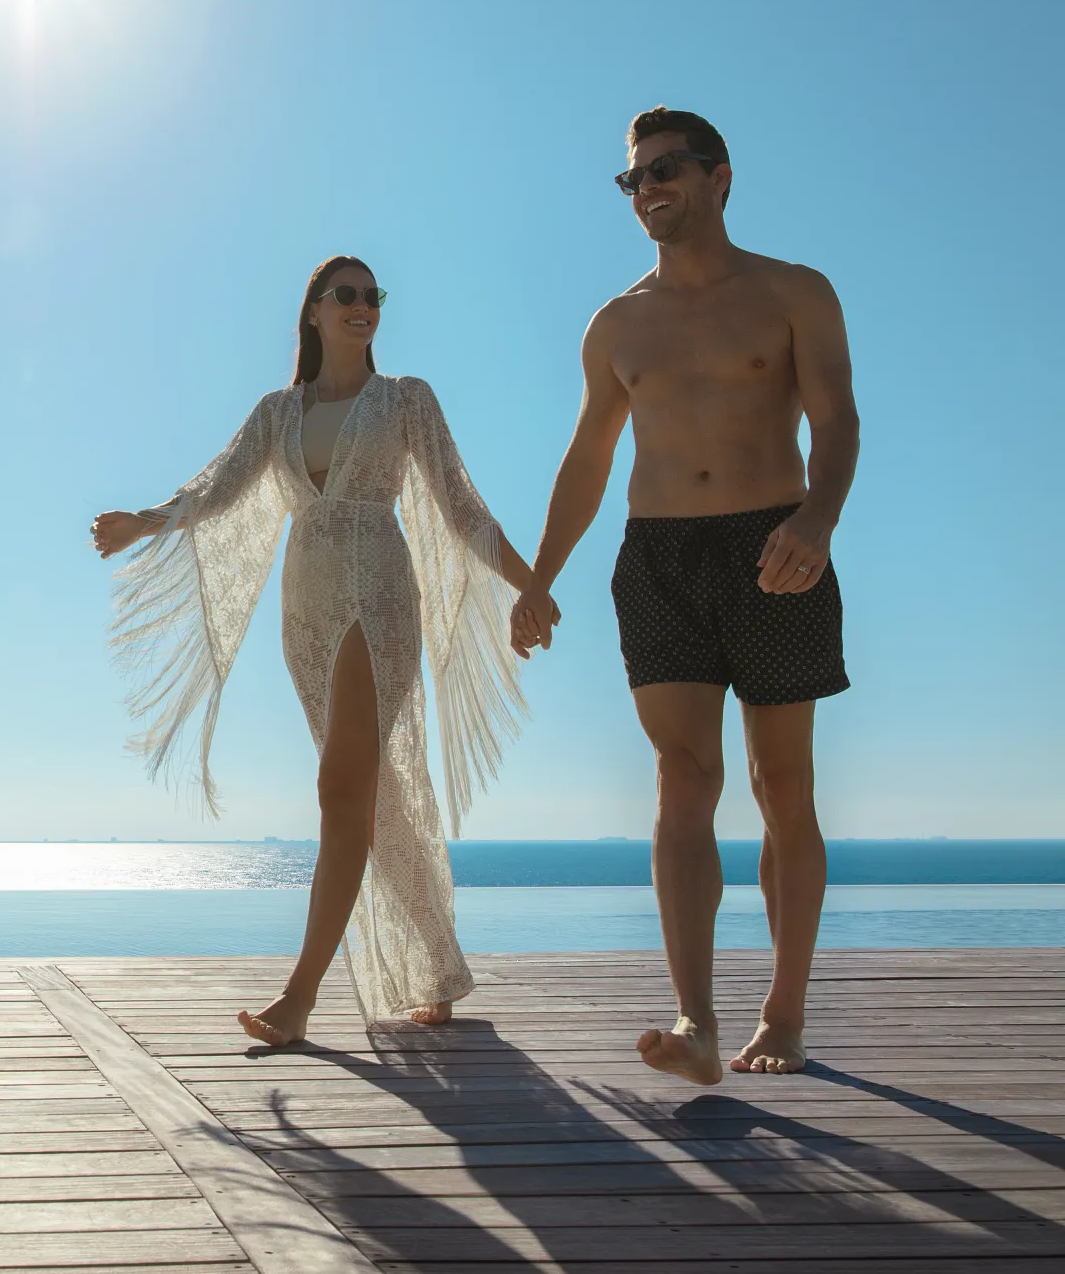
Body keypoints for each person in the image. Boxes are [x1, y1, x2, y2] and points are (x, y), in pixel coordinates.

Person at [92, 255, 538, 1041]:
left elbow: (462, 506)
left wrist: (531, 586)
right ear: (314, 311)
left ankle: (299, 997)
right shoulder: (278, 412)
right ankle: (438, 964)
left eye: (373, 296)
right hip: (306, 610)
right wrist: (144, 521)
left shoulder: (406, 400)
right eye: (347, 295)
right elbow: (216, 488)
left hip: (379, 597)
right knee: (373, 793)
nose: (363, 306)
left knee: (340, 791)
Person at [510, 107, 860, 1083]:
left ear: (719, 177)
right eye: (632, 178)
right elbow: (587, 459)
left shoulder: (793, 293)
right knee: (681, 776)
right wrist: (539, 577)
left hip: (774, 543)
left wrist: (817, 521)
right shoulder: (616, 324)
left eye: (665, 169)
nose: (647, 188)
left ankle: (782, 1015)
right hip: (657, 555)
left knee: (781, 786)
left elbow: (836, 420)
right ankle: (696, 1023)